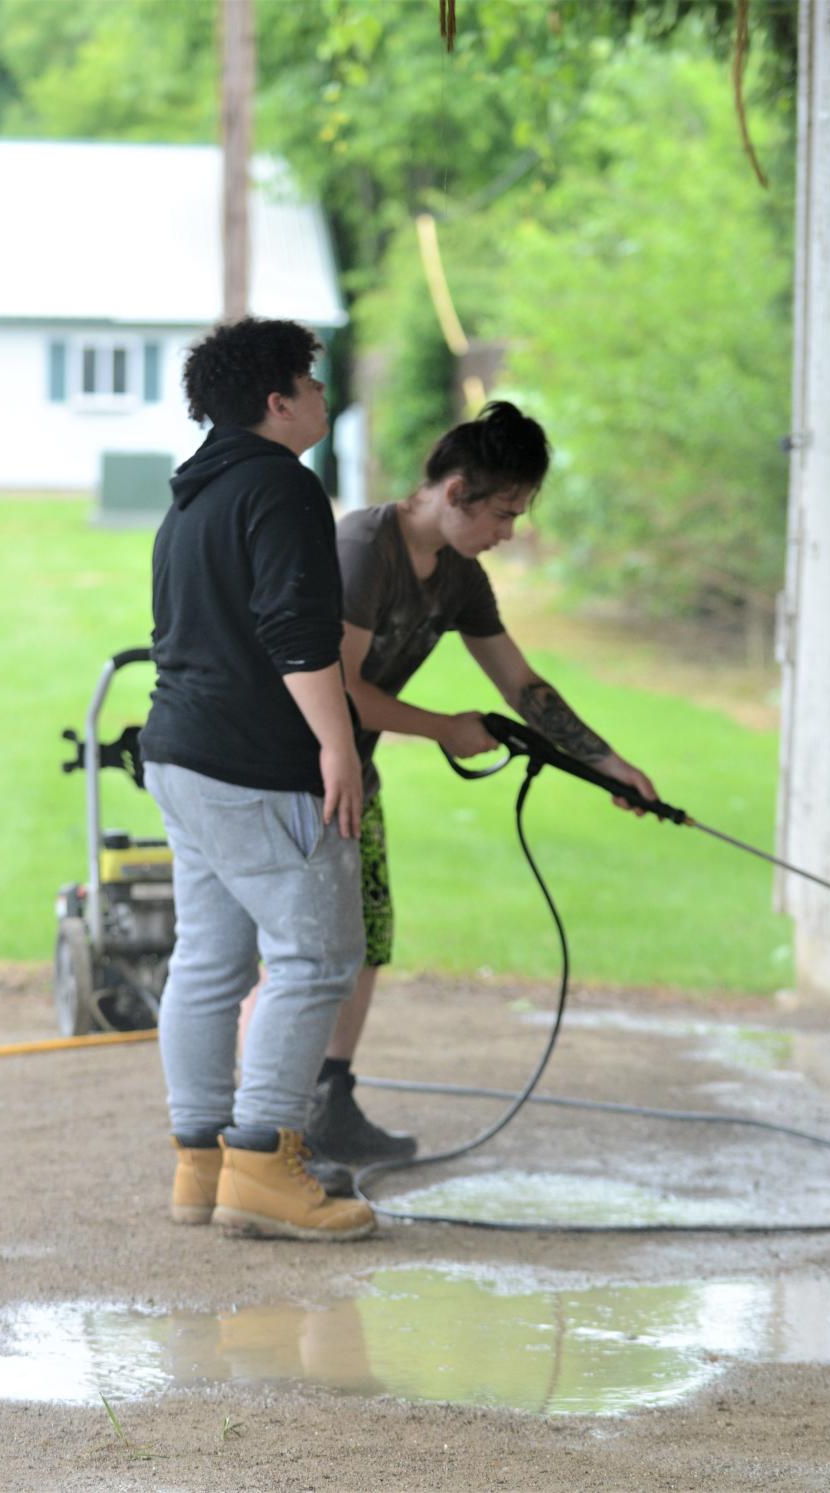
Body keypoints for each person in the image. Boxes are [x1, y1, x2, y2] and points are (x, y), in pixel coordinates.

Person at [305, 401, 659, 1165]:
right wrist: (442, 726)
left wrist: (607, 764)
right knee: (306, 948)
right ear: (456, 491)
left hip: (354, 772)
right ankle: (277, 1125)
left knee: (364, 937)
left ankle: (329, 1100)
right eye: (504, 512)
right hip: (294, 771)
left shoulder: (459, 576)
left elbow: (519, 683)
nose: (509, 532)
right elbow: (334, 689)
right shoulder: (365, 549)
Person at [139, 317, 374, 1242]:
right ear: (278, 403)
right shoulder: (281, 485)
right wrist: (338, 745)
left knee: (209, 959)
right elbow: (294, 630)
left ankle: (203, 1165)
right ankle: (267, 1166)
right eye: (311, 384)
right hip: (253, 762)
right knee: (316, 956)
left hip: (180, 755)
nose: (323, 396)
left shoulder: (192, 498)